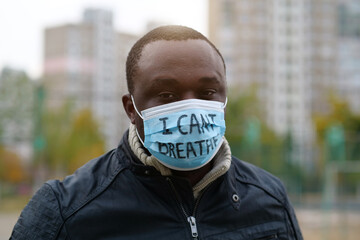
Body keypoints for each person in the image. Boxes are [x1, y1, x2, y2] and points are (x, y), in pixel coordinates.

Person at [11, 25, 303, 240]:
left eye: (208, 92)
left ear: (224, 100)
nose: (190, 108)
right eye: (166, 94)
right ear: (131, 108)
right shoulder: (65, 210)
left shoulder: (269, 198)